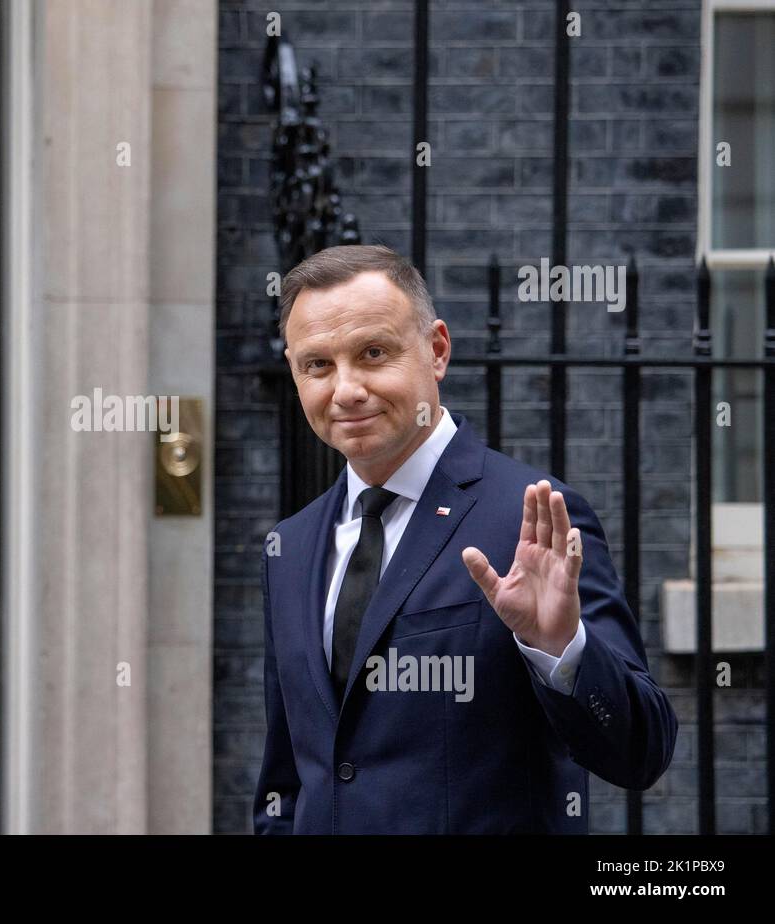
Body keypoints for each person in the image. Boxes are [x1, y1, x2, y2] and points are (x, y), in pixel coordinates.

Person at [253, 245, 677, 834]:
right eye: (317, 365)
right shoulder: (290, 547)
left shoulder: (531, 516)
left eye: (373, 353)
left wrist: (561, 648)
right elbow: (288, 778)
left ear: (437, 350)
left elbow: (641, 753)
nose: (345, 390)